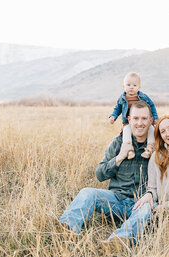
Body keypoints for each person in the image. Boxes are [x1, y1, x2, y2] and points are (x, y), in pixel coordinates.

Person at [59, 101, 155, 249]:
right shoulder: (118, 143)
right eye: (135, 118)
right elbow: (100, 174)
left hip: (141, 204)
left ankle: (119, 240)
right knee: (87, 193)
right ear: (129, 120)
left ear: (150, 120)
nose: (140, 123)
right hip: (115, 200)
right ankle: (67, 230)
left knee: (147, 208)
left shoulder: (158, 147)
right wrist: (119, 157)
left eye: (144, 119)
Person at [109, 72, 158, 160]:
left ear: (139, 87)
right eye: (128, 85)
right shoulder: (122, 98)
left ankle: (150, 148)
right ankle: (129, 150)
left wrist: (155, 118)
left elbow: (152, 106)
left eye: (134, 85)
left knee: (152, 129)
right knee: (126, 131)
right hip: (128, 122)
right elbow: (117, 108)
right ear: (123, 87)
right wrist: (113, 117)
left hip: (142, 120)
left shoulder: (144, 97)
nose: (131, 87)